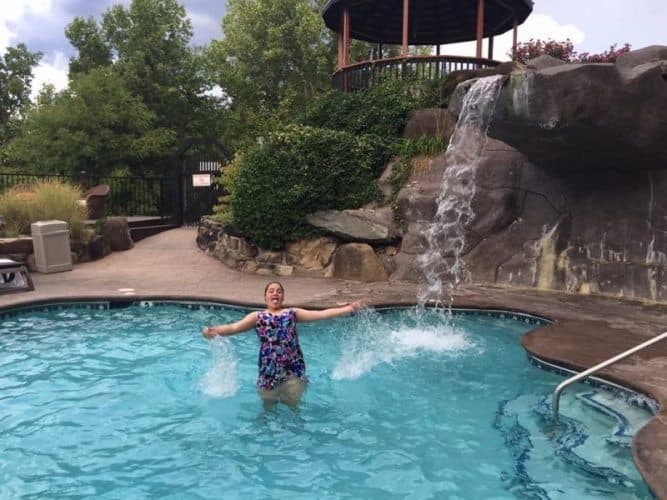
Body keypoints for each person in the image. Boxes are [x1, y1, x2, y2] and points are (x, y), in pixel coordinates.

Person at [202, 281, 363, 406]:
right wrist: (214, 331)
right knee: (268, 407)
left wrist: (348, 308)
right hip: (268, 371)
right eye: (271, 291)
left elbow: (320, 314)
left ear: (283, 297)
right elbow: (233, 327)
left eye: (279, 291)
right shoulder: (257, 316)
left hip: (293, 369)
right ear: (265, 297)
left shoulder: (292, 313)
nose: (275, 293)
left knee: (292, 406)